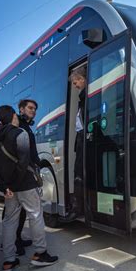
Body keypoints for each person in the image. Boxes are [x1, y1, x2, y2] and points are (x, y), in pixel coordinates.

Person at [0, 105, 58, 271]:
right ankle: (40, 254)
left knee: (9, 221)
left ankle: (8, 261)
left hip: (9, 189)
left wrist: (4, 187)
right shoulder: (21, 134)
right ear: (13, 116)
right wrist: (15, 184)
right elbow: (24, 162)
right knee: (35, 216)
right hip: (24, 184)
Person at [0, 99, 39, 255]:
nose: (33, 110)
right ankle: (9, 243)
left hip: (24, 173)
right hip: (20, 174)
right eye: (30, 108)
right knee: (13, 212)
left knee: (20, 210)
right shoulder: (18, 126)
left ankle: (16, 239)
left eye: (35, 108)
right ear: (21, 110)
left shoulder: (26, 127)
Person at [60, 67, 86, 222]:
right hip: (81, 140)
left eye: (76, 83)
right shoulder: (82, 97)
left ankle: (77, 209)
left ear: (82, 79)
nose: (75, 86)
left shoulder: (86, 96)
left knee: (78, 175)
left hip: (83, 140)